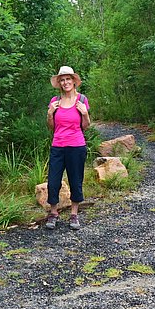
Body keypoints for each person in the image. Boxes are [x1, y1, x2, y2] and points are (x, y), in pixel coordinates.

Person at [45, 65, 90, 230]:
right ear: (59, 83)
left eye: (68, 79)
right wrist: (50, 115)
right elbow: (52, 127)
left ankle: (74, 214)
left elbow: (85, 126)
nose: (65, 82)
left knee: (75, 180)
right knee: (53, 182)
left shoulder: (82, 100)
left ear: (74, 81)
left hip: (77, 146)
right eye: (62, 80)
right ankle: (54, 213)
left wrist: (85, 113)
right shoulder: (54, 102)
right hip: (58, 146)